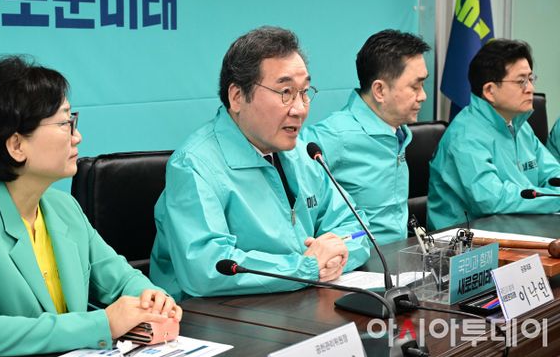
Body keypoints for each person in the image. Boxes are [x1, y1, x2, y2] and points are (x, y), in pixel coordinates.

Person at [0, 56, 182, 357]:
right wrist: (103, 323)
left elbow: (121, 279)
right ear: (17, 145)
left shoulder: (63, 207)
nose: (77, 136)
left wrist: (152, 298)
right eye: (64, 123)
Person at [150, 26, 370, 300]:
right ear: (237, 97)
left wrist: (336, 255)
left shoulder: (304, 153)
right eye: (286, 92)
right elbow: (206, 268)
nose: (300, 109)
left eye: (304, 92)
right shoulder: (194, 165)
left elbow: (359, 231)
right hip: (215, 315)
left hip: (295, 301)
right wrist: (306, 268)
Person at [302, 29, 429, 245]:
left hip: (399, 252)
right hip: (359, 260)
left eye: (423, 85)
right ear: (379, 90)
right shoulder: (335, 135)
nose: (423, 96)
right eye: (415, 86)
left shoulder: (397, 131)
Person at [428, 39, 560, 230]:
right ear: (490, 90)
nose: (530, 88)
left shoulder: (520, 126)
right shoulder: (465, 136)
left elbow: (553, 174)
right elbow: (492, 199)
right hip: (466, 243)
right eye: (521, 81)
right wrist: (555, 199)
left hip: (518, 230)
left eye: (531, 79)